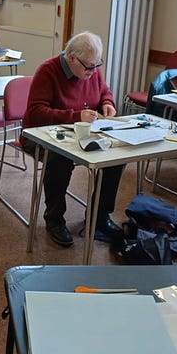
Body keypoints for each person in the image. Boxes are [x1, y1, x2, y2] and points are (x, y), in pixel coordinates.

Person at [21, 31, 125, 247]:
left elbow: (104, 91)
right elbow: (37, 112)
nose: (94, 71)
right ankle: (55, 220)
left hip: (81, 133)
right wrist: (74, 116)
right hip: (40, 134)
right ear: (71, 58)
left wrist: (108, 102)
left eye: (97, 65)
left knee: (117, 157)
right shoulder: (48, 70)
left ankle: (99, 217)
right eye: (89, 66)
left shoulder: (91, 69)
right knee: (60, 160)